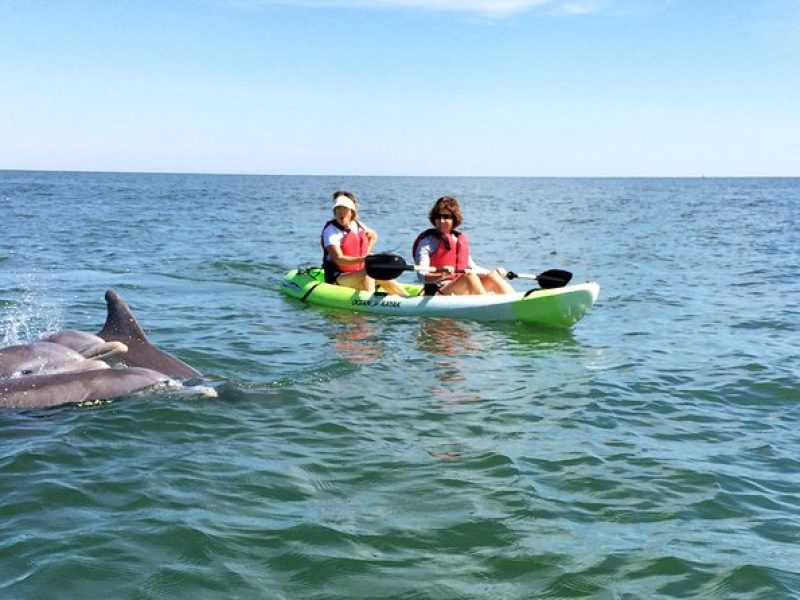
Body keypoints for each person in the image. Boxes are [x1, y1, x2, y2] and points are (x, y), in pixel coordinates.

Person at [412, 196, 516, 296]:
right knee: (469, 276)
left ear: (454, 219)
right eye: (438, 217)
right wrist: (442, 274)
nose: (441, 221)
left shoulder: (458, 240)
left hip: (459, 288)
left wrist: (496, 272)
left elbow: (472, 267)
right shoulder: (426, 242)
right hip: (437, 292)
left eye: (446, 217)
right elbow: (422, 275)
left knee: (492, 276)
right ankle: (488, 306)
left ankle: (516, 300)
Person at [321, 191, 409, 296]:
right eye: (338, 209)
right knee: (370, 271)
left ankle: (407, 299)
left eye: (345, 209)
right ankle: (370, 301)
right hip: (339, 278)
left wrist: (367, 252)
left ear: (352, 212)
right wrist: (365, 259)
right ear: (334, 211)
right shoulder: (331, 231)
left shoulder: (358, 225)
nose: (341, 212)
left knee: (382, 274)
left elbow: (373, 235)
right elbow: (339, 260)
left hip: (358, 275)